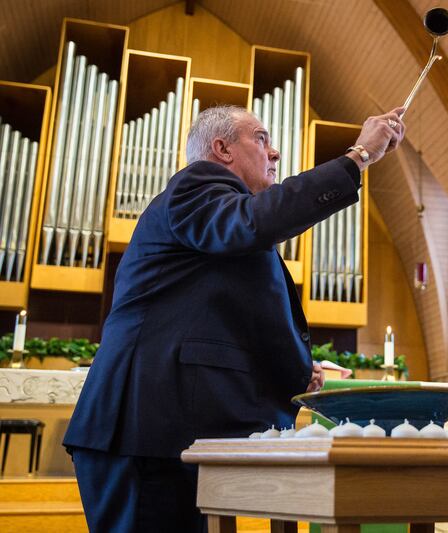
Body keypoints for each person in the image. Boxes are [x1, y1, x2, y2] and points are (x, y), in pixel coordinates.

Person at [63, 104, 405, 532]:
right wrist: (359, 156)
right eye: (261, 139)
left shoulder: (224, 220)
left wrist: (300, 372)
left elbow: (224, 323)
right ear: (221, 148)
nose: (275, 153)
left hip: (166, 432)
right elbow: (253, 224)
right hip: (142, 430)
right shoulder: (196, 186)